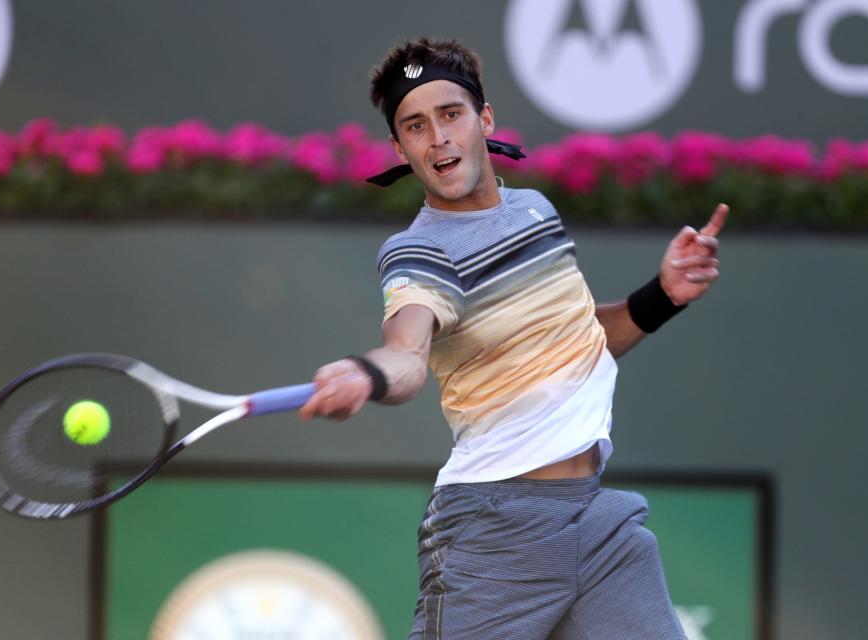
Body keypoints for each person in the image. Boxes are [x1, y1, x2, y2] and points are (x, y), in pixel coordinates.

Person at [299, 37, 725, 640]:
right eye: (415, 126)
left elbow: (574, 341)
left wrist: (662, 296)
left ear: (485, 119)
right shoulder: (420, 253)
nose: (438, 137)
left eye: (451, 114)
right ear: (400, 148)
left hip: (597, 521)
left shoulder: (534, 212)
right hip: (496, 531)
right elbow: (406, 353)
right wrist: (369, 374)